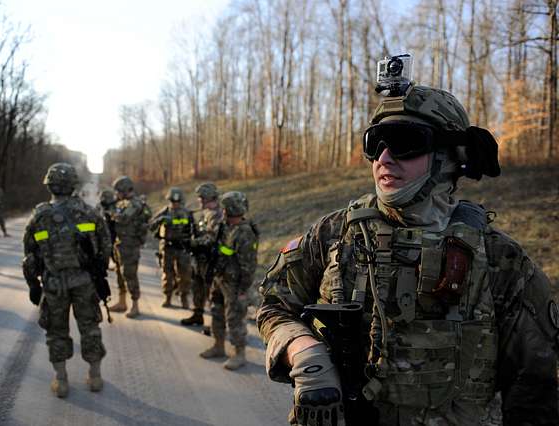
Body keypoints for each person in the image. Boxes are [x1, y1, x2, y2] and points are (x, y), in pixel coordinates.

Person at [257, 84, 559, 425]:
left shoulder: (499, 260)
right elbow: (274, 306)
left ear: (450, 156)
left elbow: (535, 390)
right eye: (375, 144)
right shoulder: (333, 234)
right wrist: (303, 351)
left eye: (404, 142)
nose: (384, 158)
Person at [22, 162, 111, 398]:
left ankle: (61, 380)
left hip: (54, 284)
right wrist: (98, 272)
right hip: (84, 281)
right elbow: (105, 247)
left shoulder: (40, 217)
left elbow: (30, 256)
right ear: (73, 186)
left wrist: (34, 284)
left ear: (49, 185)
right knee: (90, 328)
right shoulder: (89, 212)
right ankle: (95, 376)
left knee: (56, 331)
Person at [200, 191, 258, 371]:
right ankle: (218, 346)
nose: (222, 211)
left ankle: (239, 353)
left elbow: (248, 264)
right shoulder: (225, 227)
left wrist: (243, 289)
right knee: (216, 311)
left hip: (235, 283)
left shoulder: (245, 232)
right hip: (220, 278)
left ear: (232, 209)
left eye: (225, 209)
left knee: (234, 317)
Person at [181, 182, 224, 326]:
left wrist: (193, 243)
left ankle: (213, 324)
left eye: (201, 198)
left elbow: (212, 238)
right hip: (199, 259)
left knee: (211, 292)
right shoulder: (203, 213)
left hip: (210, 260)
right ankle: (197, 314)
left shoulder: (217, 215)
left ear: (208, 198)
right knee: (197, 287)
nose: (199, 200)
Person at [111, 176, 152, 319]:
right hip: (120, 243)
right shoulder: (124, 203)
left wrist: (110, 213)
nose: (116, 194)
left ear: (123, 190)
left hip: (130, 244)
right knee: (119, 273)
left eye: (118, 191)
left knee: (129, 274)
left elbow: (123, 219)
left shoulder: (134, 204)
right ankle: (122, 302)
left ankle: (135, 306)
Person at [149, 187, 194, 308]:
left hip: (182, 247)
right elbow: (151, 225)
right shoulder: (165, 211)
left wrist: (173, 222)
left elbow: (189, 227)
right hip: (167, 247)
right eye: (173, 201)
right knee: (167, 274)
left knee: (184, 274)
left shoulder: (187, 213)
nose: (175, 204)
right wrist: (160, 220)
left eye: (177, 202)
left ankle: (184, 297)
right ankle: (167, 296)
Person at [95, 188, 128, 312]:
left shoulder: (116, 209)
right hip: (105, 245)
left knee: (121, 272)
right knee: (99, 272)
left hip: (115, 244)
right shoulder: (100, 209)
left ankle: (123, 301)